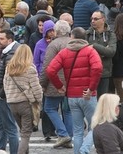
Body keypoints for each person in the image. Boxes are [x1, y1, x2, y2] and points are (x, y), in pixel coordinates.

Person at [46, 27, 103, 154]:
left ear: (72, 37)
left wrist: (59, 86)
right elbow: (98, 68)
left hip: (72, 96)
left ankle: (79, 152)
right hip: (88, 95)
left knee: (77, 131)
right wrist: (91, 88)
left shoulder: (64, 52)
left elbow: (50, 70)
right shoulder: (90, 51)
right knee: (95, 126)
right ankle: (84, 149)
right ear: (84, 38)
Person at [39, 20, 73, 149]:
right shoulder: (72, 42)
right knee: (67, 110)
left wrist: (42, 82)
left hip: (55, 83)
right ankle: (69, 137)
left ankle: (63, 134)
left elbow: (47, 66)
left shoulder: (54, 45)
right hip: (71, 82)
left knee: (49, 108)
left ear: (56, 31)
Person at [3, 44, 43, 154]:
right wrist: (39, 101)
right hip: (25, 104)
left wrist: (10, 97)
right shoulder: (30, 69)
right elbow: (36, 88)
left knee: (23, 131)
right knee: (25, 134)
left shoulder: (9, 68)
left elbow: (5, 86)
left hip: (12, 103)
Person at [0, 30, 21, 154]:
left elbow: (11, 77)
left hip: (7, 95)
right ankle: (0, 148)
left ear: (9, 40)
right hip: (4, 93)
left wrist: (2, 92)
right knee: (2, 125)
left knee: (10, 127)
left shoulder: (12, 53)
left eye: (1, 39)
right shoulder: (9, 51)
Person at [85, 10, 117, 97]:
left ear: (103, 19)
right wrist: (103, 51)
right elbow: (85, 53)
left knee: (103, 101)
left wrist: (94, 46)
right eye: (92, 19)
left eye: (95, 19)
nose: (92, 21)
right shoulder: (87, 34)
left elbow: (111, 52)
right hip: (90, 73)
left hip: (105, 72)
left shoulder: (111, 34)